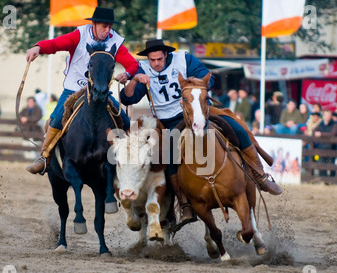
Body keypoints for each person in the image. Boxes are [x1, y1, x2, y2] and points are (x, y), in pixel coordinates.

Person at [120, 39, 282, 230]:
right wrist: (134, 80)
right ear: (148, 58)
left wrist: (189, 87)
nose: (156, 63)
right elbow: (127, 97)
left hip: (197, 110)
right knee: (169, 157)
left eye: (160, 59)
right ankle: (184, 204)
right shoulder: (142, 69)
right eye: (152, 59)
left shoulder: (184, 59)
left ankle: (259, 173)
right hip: (168, 121)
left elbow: (208, 77)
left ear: (166, 54)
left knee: (235, 126)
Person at [25, 7, 139, 175]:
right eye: (103, 26)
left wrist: (127, 74)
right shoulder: (79, 35)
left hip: (100, 92)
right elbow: (56, 44)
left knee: (125, 121)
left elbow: (133, 64)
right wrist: (38, 48)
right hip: (73, 88)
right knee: (56, 120)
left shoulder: (115, 41)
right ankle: (44, 157)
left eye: (109, 27)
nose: (107, 30)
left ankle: (128, 161)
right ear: (93, 24)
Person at [313, 109, 337, 178]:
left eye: (328, 115)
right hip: (322, 147)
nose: (327, 117)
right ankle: (323, 180)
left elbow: (333, 133)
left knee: (330, 165)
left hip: (331, 148)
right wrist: (316, 133)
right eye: (326, 115)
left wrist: (321, 134)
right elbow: (314, 130)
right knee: (321, 164)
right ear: (323, 116)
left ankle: (331, 181)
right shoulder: (321, 124)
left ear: (331, 116)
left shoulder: (334, 124)